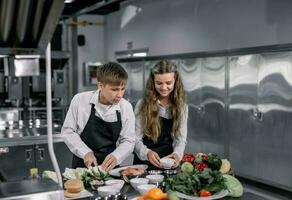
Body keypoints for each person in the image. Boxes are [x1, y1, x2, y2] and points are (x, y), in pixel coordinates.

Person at [61, 62, 135, 171]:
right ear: (100, 86)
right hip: (82, 166)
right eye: (114, 89)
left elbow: (129, 140)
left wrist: (116, 156)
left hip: (110, 168)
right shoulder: (80, 100)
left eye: (122, 89)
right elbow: (68, 131)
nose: (119, 95)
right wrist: (85, 152)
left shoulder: (126, 107)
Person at [134, 60, 188, 170]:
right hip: (143, 163)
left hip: (167, 163)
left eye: (168, 83)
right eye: (159, 83)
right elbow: (135, 138)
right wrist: (147, 153)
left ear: (175, 82)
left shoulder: (181, 106)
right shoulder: (142, 104)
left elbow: (180, 139)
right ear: (153, 82)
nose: (164, 87)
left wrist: (177, 154)